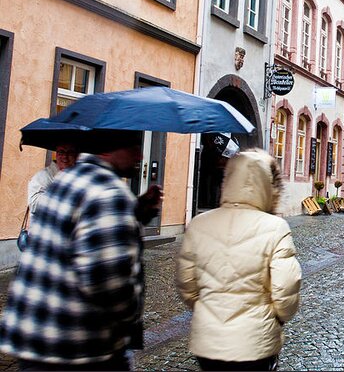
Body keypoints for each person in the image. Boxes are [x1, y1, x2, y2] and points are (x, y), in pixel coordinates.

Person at [0, 129, 162, 370]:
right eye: (133, 149)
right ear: (109, 149)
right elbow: (108, 283)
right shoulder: (108, 193)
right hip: (77, 347)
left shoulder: (66, 180)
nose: (139, 157)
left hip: (34, 335)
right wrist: (131, 314)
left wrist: (136, 211)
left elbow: (77, 232)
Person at [176, 149, 301, 371]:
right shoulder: (275, 228)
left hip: (209, 342)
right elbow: (286, 291)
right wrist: (275, 318)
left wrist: (208, 310)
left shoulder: (199, 224)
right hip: (254, 343)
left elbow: (187, 285)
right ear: (267, 185)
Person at [26, 142, 78, 231]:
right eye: (61, 152)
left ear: (76, 156)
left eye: (70, 153)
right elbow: (34, 204)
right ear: (56, 154)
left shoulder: (78, 176)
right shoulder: (43, 176)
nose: (65, 156)